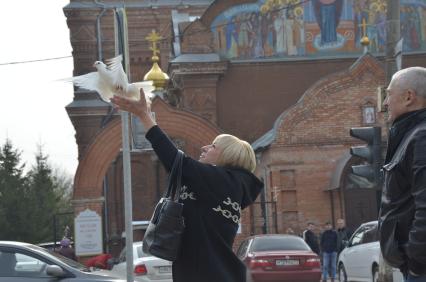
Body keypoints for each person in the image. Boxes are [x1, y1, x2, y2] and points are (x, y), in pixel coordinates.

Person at [111, 91, 263, 282]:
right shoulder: (225, 184)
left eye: (213, 146)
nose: (204, 148)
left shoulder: (221, 181)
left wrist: (145, 116)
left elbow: (174, 160)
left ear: (227, 156)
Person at [379, 67, 426, 282]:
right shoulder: (412, 135)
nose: (385, 103)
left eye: (389, 94)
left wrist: (417, 262)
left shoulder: (421, 137)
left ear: (409, 97)